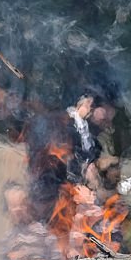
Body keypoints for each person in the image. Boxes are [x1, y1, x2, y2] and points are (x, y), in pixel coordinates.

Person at [24, 86, 117, 224]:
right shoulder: (59, 123)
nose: (91, 109)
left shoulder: (91, 133)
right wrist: (78, 180)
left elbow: (90, 157)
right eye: (89, 104)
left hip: (78, 192)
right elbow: (56, 159)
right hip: (56, 191)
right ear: (84, 103)